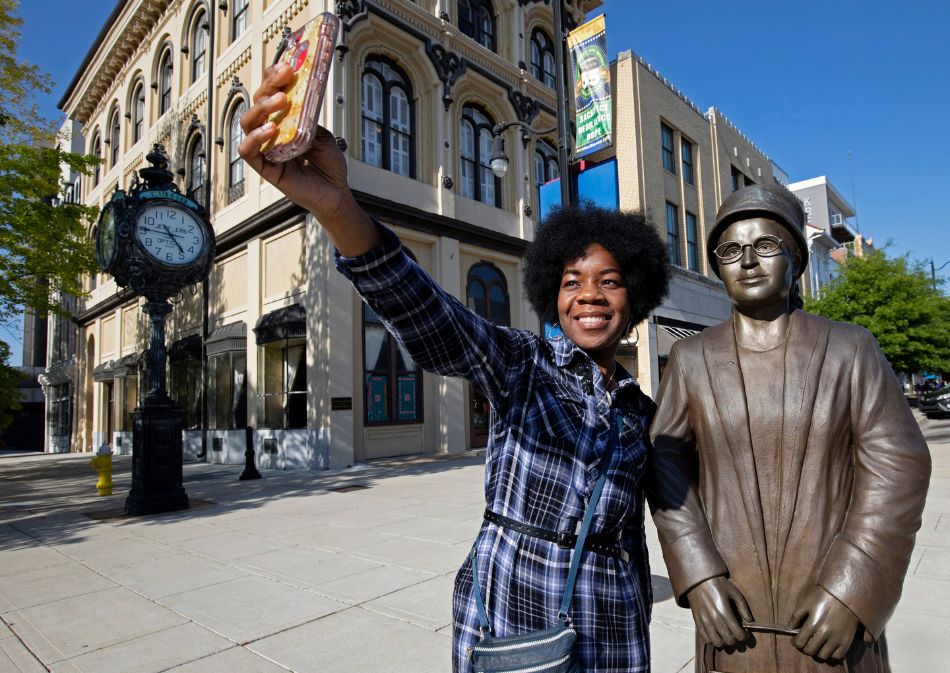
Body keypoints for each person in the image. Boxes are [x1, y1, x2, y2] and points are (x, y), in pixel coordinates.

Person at [240, 63, 672, 673]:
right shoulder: (523, 364)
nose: (591, 296)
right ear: (553, 296)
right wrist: (339, 209)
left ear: (636, 300)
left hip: (612, 626)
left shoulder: (641, 413)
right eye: (573, 282)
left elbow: (642, 531)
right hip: (515, 618)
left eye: (610, 282)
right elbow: (435, 323)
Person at [648, 183, 931, 672]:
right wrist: (698, 576)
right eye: (731, 250)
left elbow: (899, 469)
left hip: (827, 626)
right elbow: (665, 464)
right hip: (734, 621)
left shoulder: (851, 350)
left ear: (796, 260)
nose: (748, 261)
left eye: (764, 246)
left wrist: (851, 589)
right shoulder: (691, 359)